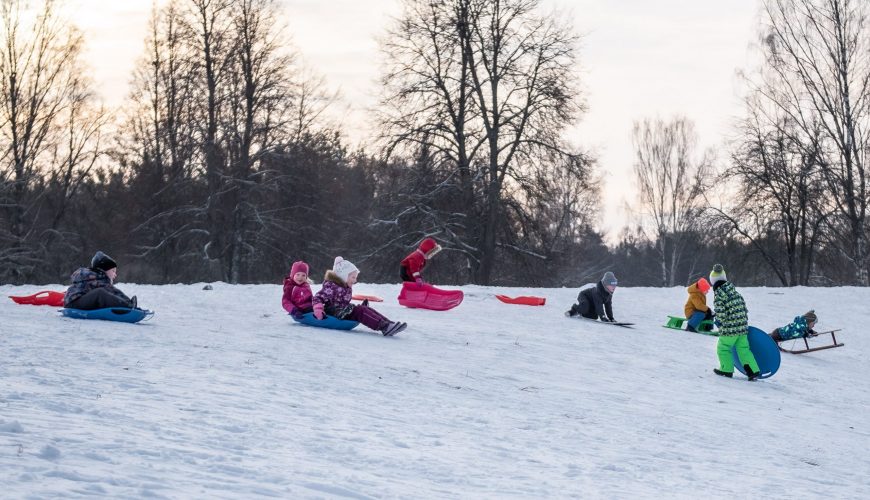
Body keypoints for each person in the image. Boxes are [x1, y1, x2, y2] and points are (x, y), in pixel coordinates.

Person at [314, 257, 407, 336]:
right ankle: (385, 327)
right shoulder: (332, 286)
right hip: (334, 313)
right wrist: (318, 309)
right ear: (343, 276)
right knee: (361, 311)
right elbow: (318, 297)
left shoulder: (344, 286)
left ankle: (389, 324)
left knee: (363, 309)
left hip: (343, 311)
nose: (355, 280)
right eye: (353, 277)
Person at [709, 264, 760, 380]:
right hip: (742, 327)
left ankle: (726, 370)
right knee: (743, 349)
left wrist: (719, 322)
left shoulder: (719, 295)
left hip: (730, 329)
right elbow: (743, 307)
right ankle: (753, 370)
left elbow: (721, 313)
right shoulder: (735, 292)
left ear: (713, 282)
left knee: (723, 347)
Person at [64, 251, 137, 310]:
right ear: (104, 270)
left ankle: (127, 305)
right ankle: (127, 307)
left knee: (102, 293)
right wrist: (128, 303)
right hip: (74, 303)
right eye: (113, 271)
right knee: (100, 293)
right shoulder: (95, 277)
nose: (115, 274)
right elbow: (113, 291)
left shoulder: (95, 277)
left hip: (78, 302)